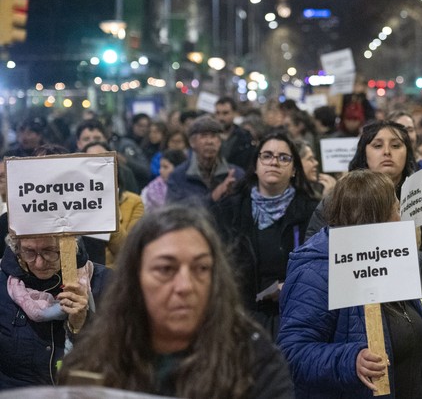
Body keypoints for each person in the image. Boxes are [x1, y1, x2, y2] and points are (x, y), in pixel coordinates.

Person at [58, 205, 294, 398]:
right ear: (135, 278)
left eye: (201, 268)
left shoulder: (255, 360)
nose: (185, 286)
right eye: (165, 269)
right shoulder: (93, 360)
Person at [278, 170, 422, 398]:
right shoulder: (316, 271)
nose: (402, 218)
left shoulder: (388, 257)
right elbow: (292, 354)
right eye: (397, 210)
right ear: (376, 217)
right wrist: (351, 360)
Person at [306, 120, 422, 299]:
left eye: (396, 145)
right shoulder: (337, 200)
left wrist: (409, 258)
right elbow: (313, 262)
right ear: (363, 153)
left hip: (416, 311)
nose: (387, 152)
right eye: (377, 145)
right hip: (353, 311)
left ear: (408, 153)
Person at [212, 132, 318, 337]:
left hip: (296, 318)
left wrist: (293, 285)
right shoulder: (229, 210)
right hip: (240, 319)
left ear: (294, 170)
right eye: (267, 156)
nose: (274, 162)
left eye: (283, 158)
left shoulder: (311, 212)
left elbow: (321, 266)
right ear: (256, 165)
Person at [0, 233, 110, 388]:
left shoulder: (105, 282)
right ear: (16, 249)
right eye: (29, 252)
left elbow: (117, 354)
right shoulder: (3, 283)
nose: (39, 263)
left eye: (49, 251)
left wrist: (80, 323)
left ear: (71, 246)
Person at [83, 141, 144, 267]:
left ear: (115, 168)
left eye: (102, 162)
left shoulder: (134, 202)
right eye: (91, 162)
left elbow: (130, 252)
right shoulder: (73, 204)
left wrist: (105, 210)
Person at [166, 116, 244, 206]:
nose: (209, 142)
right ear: (192, 142)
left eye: (214, 136)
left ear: (220, 142)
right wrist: (213, 197)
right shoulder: (178, 176)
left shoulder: (236, 175)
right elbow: (175, 213)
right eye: (204, 136)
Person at [216, 96, 255, 170]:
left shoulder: (245, 137)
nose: (221, 118)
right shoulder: (210, 137)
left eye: (225, 113)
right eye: (218, 113)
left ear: (234, 113)